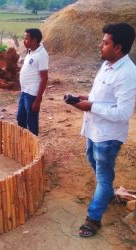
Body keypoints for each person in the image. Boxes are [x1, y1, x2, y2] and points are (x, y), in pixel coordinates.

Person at [70, 23, 136, 238]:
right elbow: (104, 98)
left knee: (104, 177)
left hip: (108, 136)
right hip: (94, 130)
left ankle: (93, 218)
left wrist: (91, 106)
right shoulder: (108, 64)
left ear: (118, 47)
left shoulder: (128, 73)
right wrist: (86, 98)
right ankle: (106, 191)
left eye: (105, 43)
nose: (100, 45)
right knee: (95, 165)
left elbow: (124, 113)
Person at [17, 28, 48, 136]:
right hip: (24, 92)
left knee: (32, 122)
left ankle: (33, 147)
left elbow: (44, 78)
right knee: (20, 118)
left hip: (32, 95)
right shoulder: (30, 51)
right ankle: (24, 143)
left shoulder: (42, 54)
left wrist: (38, 100)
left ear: (34, 40)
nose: (24, 41)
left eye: (26, 39)